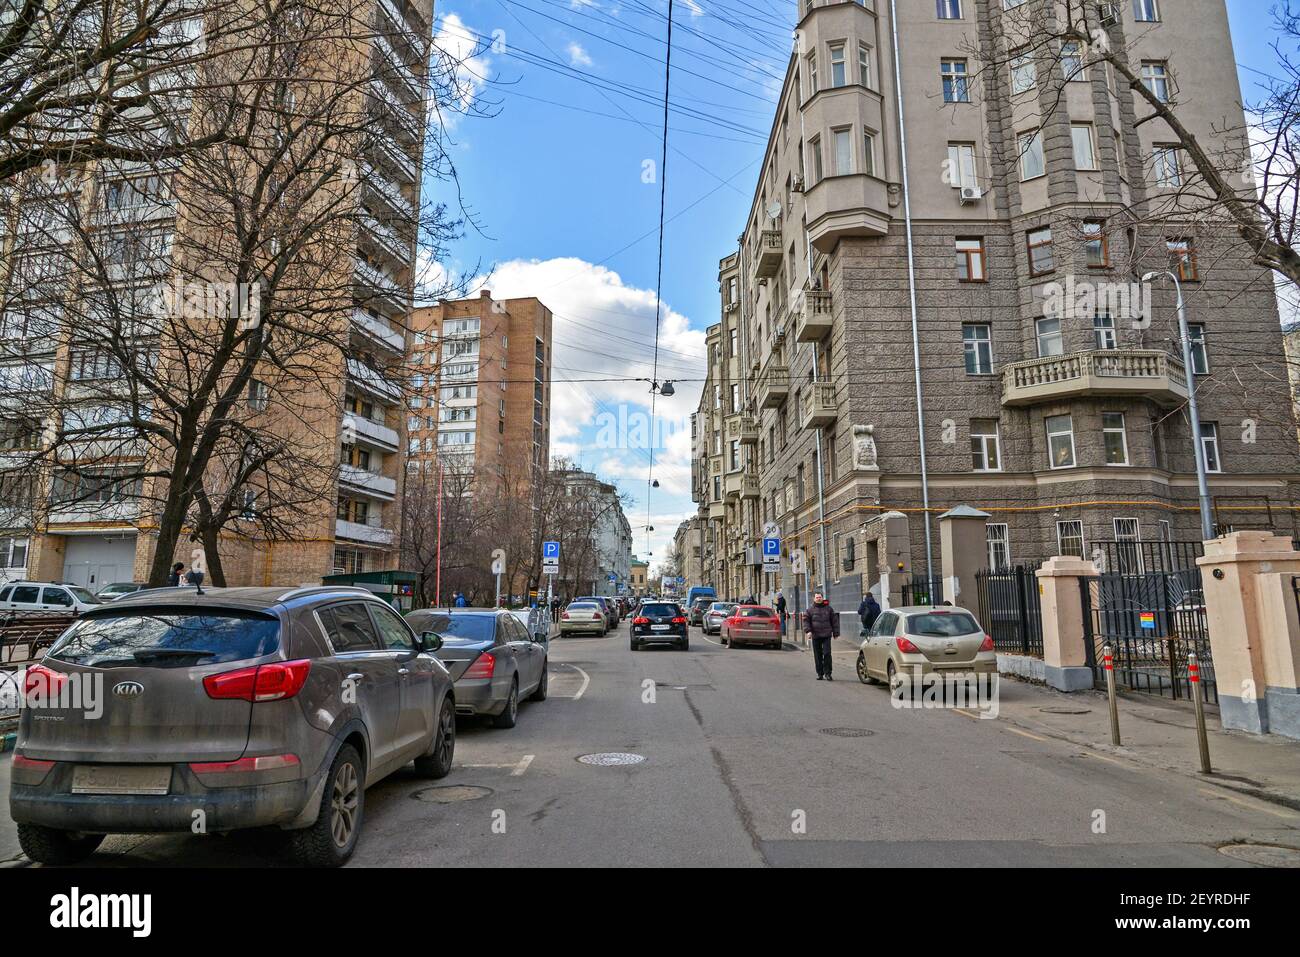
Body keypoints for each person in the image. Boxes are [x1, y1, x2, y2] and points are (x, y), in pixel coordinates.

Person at [803, 592, 841, 681]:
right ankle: (820, 673)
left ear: (822, 598)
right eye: (817, 597)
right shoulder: (810, 610)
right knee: (817, 655)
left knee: (827, 654)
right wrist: (808, 631)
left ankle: (828, 673)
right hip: (816, 635)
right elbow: (806, 621)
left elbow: (835, 621)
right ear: (814, 599)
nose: (818, 599)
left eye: (820, 597)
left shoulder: (829, 609)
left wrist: (836, 633)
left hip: (826, 635)